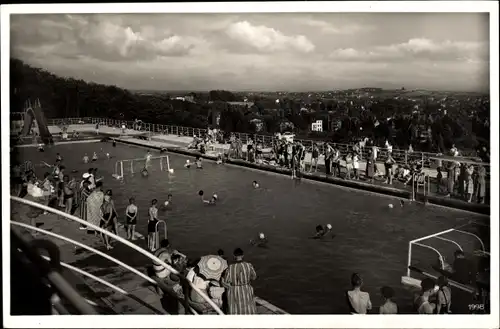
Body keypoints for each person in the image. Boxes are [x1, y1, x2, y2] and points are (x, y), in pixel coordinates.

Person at [222, 248, 257, 314]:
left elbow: (226, 280)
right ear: (243, 255)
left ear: (234, 256)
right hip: (246, 288)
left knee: (235, 307)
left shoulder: (230, 267)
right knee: (248, 306)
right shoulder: (249, 265)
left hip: (235, 290)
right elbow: (254, 277)